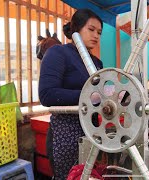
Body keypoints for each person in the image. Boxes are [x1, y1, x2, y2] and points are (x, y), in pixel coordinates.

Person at [38, 9, 103, 179]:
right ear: (77, 29)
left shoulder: (97, 63)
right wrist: (87, 96)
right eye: (91, 29)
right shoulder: (59, 53)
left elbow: (101, 95)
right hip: (65, 134)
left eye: (99, 32)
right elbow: (46, 94)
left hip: (92, 132)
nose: (96, 35)